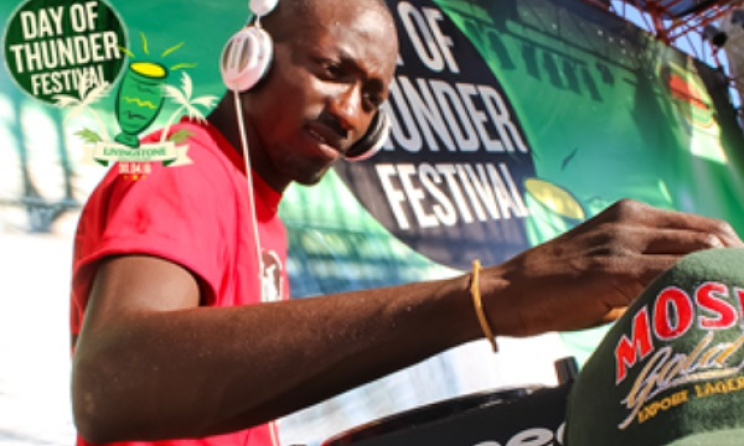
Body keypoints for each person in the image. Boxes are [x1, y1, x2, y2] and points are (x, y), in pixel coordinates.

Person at [69, 0, 744, 444]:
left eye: (373, 97)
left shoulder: (256, 203)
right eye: (334, 71)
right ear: (252, 56)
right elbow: (111, 385)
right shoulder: (182, 165)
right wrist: (492, 295)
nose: (351, 112)